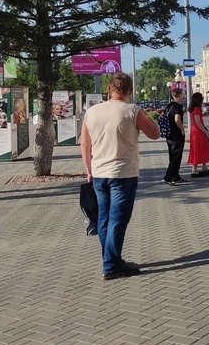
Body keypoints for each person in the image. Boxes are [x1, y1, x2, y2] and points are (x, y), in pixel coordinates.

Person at [80, 72, 160, 280]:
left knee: (104, 218)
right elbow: (155, 133)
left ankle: (111, 259)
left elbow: (85, 144)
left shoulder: (92, 112)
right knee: (118, 219)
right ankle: (111, 265)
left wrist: (88, 170)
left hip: (98, 172)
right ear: (130, 91)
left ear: (109, 89)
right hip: (123, 173)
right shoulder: (132, 111)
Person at [162, 88, 187, 185]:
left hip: (169, 134)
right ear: (179, 95)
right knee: (176, 156)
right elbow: (177, 119)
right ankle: (168, 177)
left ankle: (175, 176)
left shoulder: (169, 106)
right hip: (176, 135)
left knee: (172, 155)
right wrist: (182, 129)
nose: (184, 95)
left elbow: (162, 116)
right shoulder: (178, 107)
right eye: (183, 93)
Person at [187, 92, 209, 177]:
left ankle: (204, 167)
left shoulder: (192, 108)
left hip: (195, 131)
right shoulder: (197, 109)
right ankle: (194, 169)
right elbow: (198, 122)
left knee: (200, 148)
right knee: (200, 148)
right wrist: (206, 132)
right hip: (198, 132)